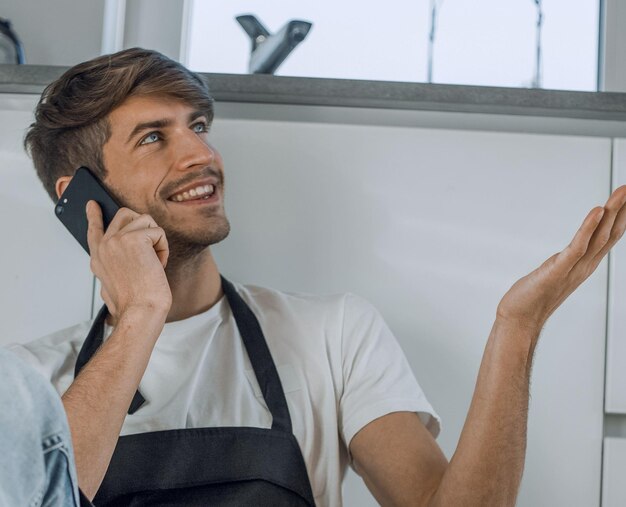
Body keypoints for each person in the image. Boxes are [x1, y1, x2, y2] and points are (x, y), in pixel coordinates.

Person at [5, 47, 626, 506]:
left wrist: (517, 328)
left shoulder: (332, 333)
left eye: (197, 126)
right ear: (83, 199)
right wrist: (141, 313)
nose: (200, 154)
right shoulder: (31, 381)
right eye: (153, 138)